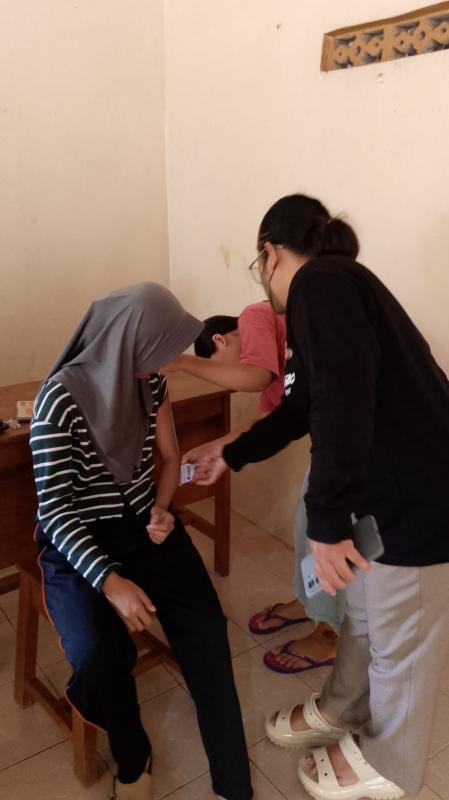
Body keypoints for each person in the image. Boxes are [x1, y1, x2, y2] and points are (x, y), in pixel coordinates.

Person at [193, 194, 449, 800]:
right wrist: (233, 451)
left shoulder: (322, 283)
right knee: (363, 614)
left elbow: (343, 398)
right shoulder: (333, 290)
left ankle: (389, 764)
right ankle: (343, 706)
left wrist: (326, 522)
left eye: (257, 265)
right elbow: (303, 406)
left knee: (400, 641)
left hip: (418, 496)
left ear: (269, 253)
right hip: (382, 490)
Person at [30, 283, 253, 800]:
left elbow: (170, 458)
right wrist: (110, 582)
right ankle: (132, 757)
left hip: (142, 523)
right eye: (158, 351)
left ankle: (233, 782)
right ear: (125, 344)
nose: (165, 363)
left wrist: (162, 509)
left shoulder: (150, 383)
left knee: (205, 628)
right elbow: (56, 511)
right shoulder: (58, 400)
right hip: (78, 540)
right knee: (98, 653)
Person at [164, 306, 340, 673]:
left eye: (218, 366)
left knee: (324, 533)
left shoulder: (254, 316)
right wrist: (215, 447)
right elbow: (263, 427)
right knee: (305, 527)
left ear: (220, 339)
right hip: (332, 442)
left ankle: (329, 634)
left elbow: (255, 377)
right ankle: (307, 603)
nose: (227, 380)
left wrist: (180, 362)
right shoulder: (278, 371)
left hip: (356, 443)